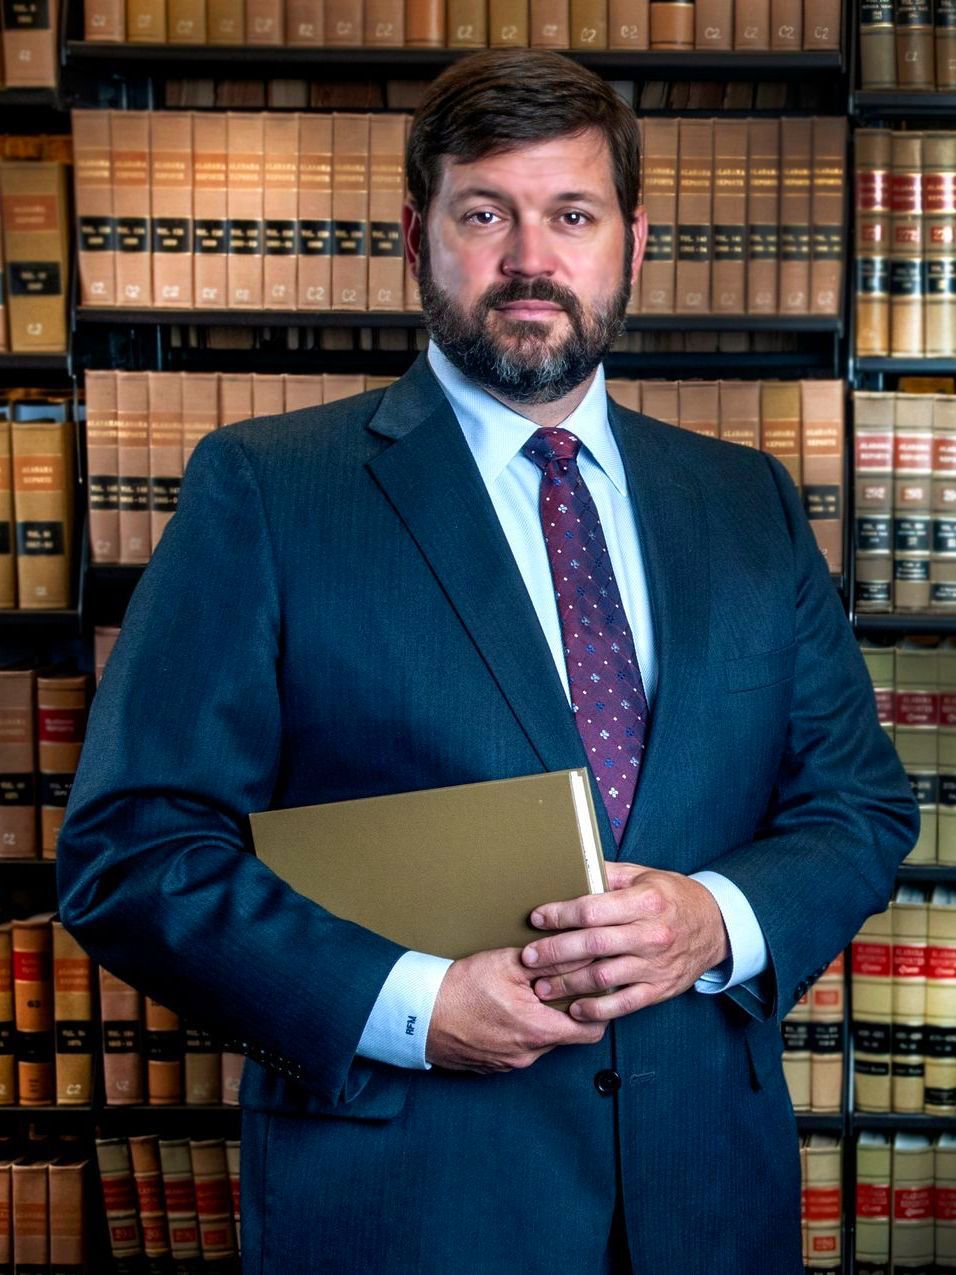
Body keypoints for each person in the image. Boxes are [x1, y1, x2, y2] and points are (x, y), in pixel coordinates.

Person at [57, 50, 918, 1274]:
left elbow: (858, 806)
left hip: (707, 1201)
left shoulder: (744, 504)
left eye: (571, 214)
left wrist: (710, 919)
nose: (530, 258)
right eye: (484, 214)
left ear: (632, 241)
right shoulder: (266, 490)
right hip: (409, 1203)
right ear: (416, 237)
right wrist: (407, 1007)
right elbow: (132, 850)